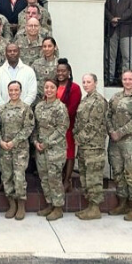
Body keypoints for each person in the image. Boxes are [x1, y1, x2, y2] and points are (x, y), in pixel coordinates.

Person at [105, 70, 132, 221]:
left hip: (131, 143)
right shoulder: (116, 97)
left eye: (130, 79)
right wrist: (111, 131)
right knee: (118, 172)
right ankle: (122, 203)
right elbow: (108, 115)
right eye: (125, 79)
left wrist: (120, 132)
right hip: (115, 142)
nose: (127, 81)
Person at [0, 81, 34, 220]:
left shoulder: (26, 109)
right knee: (7, 176)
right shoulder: (2, 109)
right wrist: (0, 140)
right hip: (4, 149)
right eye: (11, 90)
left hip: (20, 149)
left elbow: (28, 128)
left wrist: (14, 142)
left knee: (19, 177)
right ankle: (11, 204)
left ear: (20, 91)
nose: (13, 93)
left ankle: (21, 205)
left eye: (16, 90)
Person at [33, 79, 69, 221]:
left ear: (56, 89)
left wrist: (46, 142)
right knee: (44, 178)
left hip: (55, 149)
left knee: (55, 178)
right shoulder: (39, 107)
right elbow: (35, 127)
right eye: (46, 87)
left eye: (51, 87)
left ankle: (58, 207)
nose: (48, 90)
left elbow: (62, 128)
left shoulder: (60, 107)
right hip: (40, 149)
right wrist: (35, 142)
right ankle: (50, 204)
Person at [75, 73, 108, 220]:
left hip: (93, 146)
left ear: (95, 83)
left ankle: (95, 208)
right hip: (84, 147)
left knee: (93, 178)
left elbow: (93, 124)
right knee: (85, 176)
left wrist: (79, 138)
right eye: (84, 82)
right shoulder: (86, 99)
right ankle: (90, 206)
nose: (86, 84)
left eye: (89, 82)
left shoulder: (98, 101)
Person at [54, 60, 81, 192]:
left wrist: (59, 120)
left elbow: (72, 108)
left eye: (63, 71)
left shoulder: (75, 88)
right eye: (58, 71)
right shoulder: (53, 86)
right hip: (52, 127)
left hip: (68, 125)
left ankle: (67, 180)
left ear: (69, 72)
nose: (60, 73)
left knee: (68, 152)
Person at [0, 43, 38, 107]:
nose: (12, 53)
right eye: (9, 51)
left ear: (19, 53)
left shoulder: (29, 71)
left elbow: (32, 93)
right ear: (5, 54)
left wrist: (22, 108)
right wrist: (5, 108)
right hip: (4, 112)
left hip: (24, 112)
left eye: (15, 51)